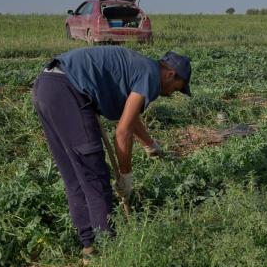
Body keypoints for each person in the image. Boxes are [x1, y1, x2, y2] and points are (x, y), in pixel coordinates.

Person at [32, 46, 191, 255]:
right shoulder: (151, 76)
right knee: (95, 176)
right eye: (177, 88)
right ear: (170, 74)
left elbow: (130, 117)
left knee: (76, 175)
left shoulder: (141, 66)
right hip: (68, 91)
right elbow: (122, 131)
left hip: (46, 87)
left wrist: (149, 144)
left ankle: (90, 247)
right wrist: (126, 175)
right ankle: (107, 251)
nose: (172, 93)